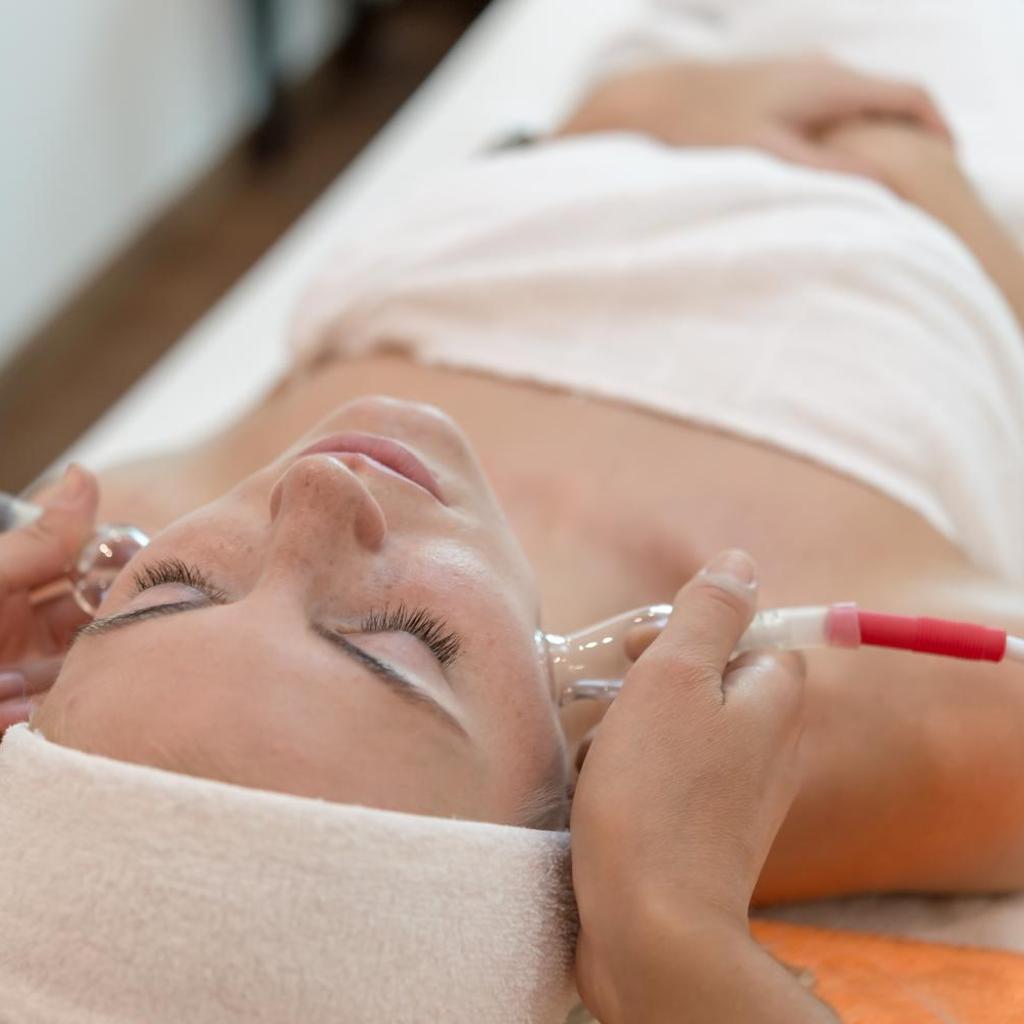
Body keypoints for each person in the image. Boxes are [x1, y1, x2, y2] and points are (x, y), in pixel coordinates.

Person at [2, 2, 1024, 1017]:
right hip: (913, 165)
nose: (314, 489)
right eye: (399, 640)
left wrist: (621, 112)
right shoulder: (837, 716)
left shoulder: (80, 573)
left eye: (175, 588)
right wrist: (669, 934)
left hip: (574, 140)